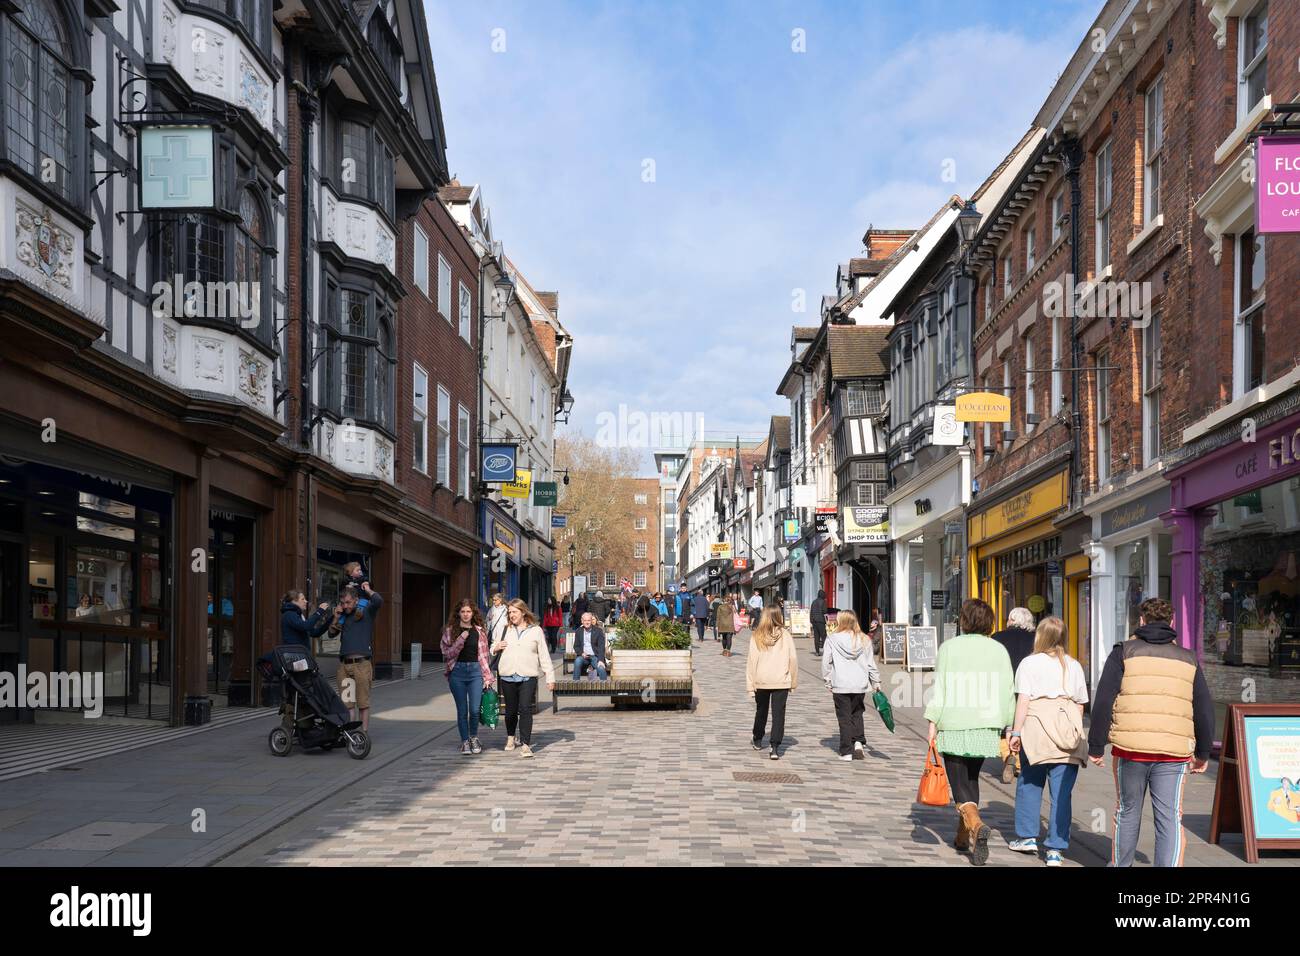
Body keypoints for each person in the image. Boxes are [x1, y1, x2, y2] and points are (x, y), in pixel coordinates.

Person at [1087, 597, 1214, 867]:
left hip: (1130, 750)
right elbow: (1203, 707)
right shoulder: (1188, 658)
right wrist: (1203, 752)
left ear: (1141, 620)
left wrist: (1096, 746)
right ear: (1172, 622)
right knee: (1169, 817)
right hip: (1174, 753)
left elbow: (1103, 700)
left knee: (1128, 811)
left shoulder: (1124, 651)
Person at [924, 597, 1014, 866]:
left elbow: (940, 689)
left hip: (954, 723)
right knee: (971, 779)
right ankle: (963, 838)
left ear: (963, 621)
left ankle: (975, 826)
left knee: (959, 784)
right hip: (986, 725)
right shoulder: (999, 650)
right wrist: (1009, 726)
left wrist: (932, 722)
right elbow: (1008, 691)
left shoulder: (949, 648)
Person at [1006, 616, 1089, 866]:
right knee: (1062, 793)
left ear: (1039, 636)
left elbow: (1024, 700)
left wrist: (1016, 732)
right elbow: (1080, 705)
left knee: (1030, 782)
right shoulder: (1074, 666)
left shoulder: (1029, 663)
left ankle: (1028, 836)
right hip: (1065, 731)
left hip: (1036, 729)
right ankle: (1055, 849)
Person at [490, 599, 556, 758]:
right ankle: (511, 737)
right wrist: (496, 647)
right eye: (510, 612)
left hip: (528, 675)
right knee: (510, 711)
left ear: (523, 612)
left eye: (514, 612)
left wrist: (550, 677)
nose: (511, 615)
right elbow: (492, 647)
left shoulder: (536, 631)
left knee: (526, 709)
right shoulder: (504, 629)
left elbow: (544, 655)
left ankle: (526, 744)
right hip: (507, 675)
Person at [822, 609, 881, 761]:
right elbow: (870, 664)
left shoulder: (832, 639)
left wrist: (827, 680)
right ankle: (858, 742)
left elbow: (826, 662)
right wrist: (876, 681)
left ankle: (846, 750)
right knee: (857, 712)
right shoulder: (864, 639)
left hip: (840, 683)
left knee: (844, 717)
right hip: (859, 683)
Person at [440, 599, 495, 755]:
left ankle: (473, 737)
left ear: (473, 613)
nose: (465, 614)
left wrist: (487, 677)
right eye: (463, 611)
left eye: (468, 611)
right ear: (458, 613)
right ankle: (465, 742)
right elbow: (447, 654)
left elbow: (484, 657)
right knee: (462, 710)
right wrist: (461, 639)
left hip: (475, 672)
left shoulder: (479, 631)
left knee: (475, 709)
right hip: (457, 672)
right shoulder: (450, 631)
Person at [992, 607, 1038, 783]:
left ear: (1011, 619)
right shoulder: (1037, 639)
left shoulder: (997, 637)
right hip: (1028, 688)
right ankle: (1019, 758)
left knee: (1005, 724)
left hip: (1004, 687)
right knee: (1023, 722)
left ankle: (1010, 756)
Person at [330, 583, 384, 732]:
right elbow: (331, 634)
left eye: (348, 602)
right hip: (344, 667)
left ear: (356, 600)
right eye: (342, 603)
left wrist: (367, 590)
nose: (345, 606)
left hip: (362, 665)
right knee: (347, 704)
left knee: (363, 703)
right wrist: (336, 617)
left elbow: (378, 600)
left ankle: (363, 734)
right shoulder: (343, 617)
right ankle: (349, 735)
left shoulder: (366, 611)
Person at [747, 606, 798, 760]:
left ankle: (757, 737)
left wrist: (750, 685)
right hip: (781, 680)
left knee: (761, 710)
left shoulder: (757, 635)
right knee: (778, 714)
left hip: (761, 680)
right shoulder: (786, 635)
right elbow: (793, 659)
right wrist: (793, 682)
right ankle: (774, 746)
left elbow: (751, 661)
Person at [572, 611, 608, 681]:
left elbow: (601, 647)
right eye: (585, 620)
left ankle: (605, 688)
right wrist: (582, 653)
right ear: (582, 621)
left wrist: (601, 660)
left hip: (595, 656)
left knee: (601, 668)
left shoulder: (598, 631)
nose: (587, 622)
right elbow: (576, 646)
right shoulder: (578, 631)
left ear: (591, 621)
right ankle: (575, 684)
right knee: (577, 661)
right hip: (583, 657)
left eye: (589, 620)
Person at [810, 589, 828, 656]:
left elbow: (811, 611)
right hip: (821, 621)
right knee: (823, 636)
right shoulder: (823, 602)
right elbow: (825, 611)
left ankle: (817, 652)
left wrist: (811, 620)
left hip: (814, 621)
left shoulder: (814, 602)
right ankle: (825, 650)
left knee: (816, 636)